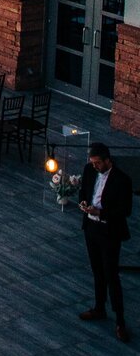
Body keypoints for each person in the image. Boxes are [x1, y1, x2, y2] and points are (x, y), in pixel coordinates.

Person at [77, 141, 132, 341]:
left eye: (98, 163)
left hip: (109, 231)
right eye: (92, 163)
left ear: (108, 160)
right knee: (97, 271)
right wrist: (83, 203)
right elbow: (84, 192)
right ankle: (99, 308)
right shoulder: (89, 170)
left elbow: (125, 210)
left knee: (111, 275)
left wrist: (101, 212)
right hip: (91, 228)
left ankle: (120, 321)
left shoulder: (122, 180)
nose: (94, 167)